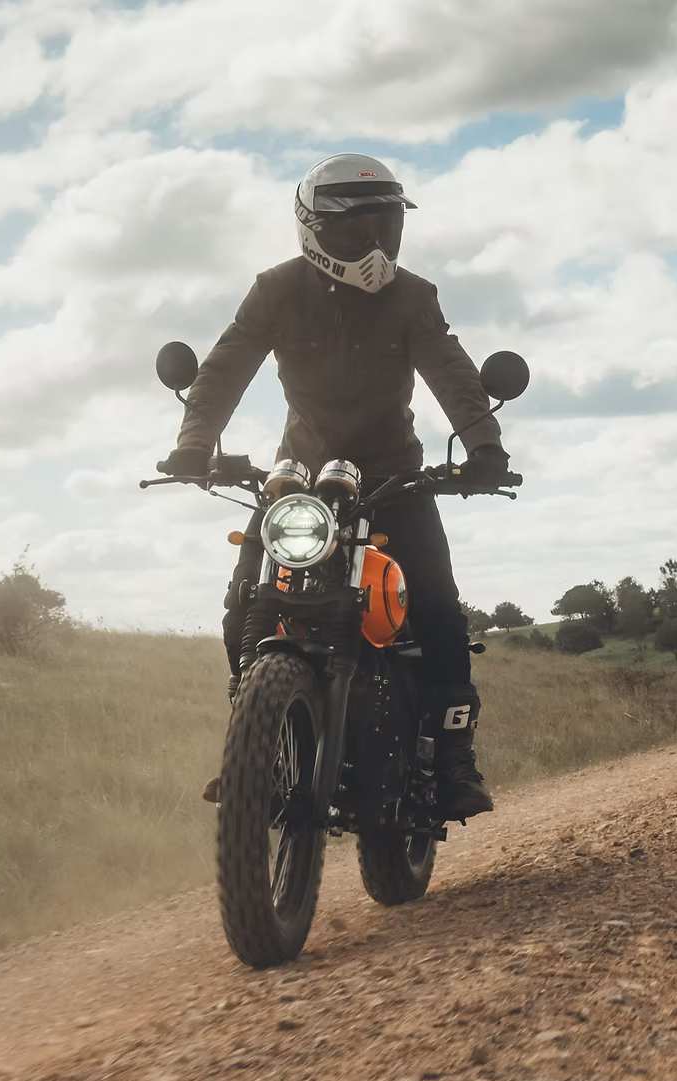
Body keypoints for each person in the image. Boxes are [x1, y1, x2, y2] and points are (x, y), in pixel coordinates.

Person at [162, 153, 511, 820]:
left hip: (395, 474)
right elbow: (225, 365)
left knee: (437, 606)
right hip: (300, 476)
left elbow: (453, 372)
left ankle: (454, 755)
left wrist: (484, 447)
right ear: (314, 228)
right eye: (358, 228)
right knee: (246, 598)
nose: (375, 244)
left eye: (386, 226)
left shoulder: (413, 296)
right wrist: (193, 444)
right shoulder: (277, 290)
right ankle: (251, 737)